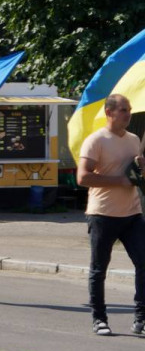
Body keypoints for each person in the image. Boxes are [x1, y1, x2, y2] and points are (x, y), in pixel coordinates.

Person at [76, 93, 145, 336]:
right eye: (123, 110)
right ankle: (99, 318)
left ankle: (141, 319)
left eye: (129, 110)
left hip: (133, 213)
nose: (128, 114)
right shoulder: (96, 140)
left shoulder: (135, 139)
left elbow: (135, 175)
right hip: (103, 213)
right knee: (99, 268)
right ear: (109, 112)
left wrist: (140, 170)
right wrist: (120, 180)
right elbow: (83, 177)